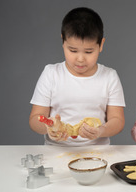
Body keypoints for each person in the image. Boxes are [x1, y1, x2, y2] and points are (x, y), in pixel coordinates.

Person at [29, 7, 125, 146]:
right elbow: (35, 119)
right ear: (63, 42)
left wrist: (101, 130)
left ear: (101, 44)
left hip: (98, 153)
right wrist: (48, 127)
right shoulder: (51, 74)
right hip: (55, 152)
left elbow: (117, 120)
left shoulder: (109, 77)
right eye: (73, 50)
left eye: (88, 51)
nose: (80, 59)